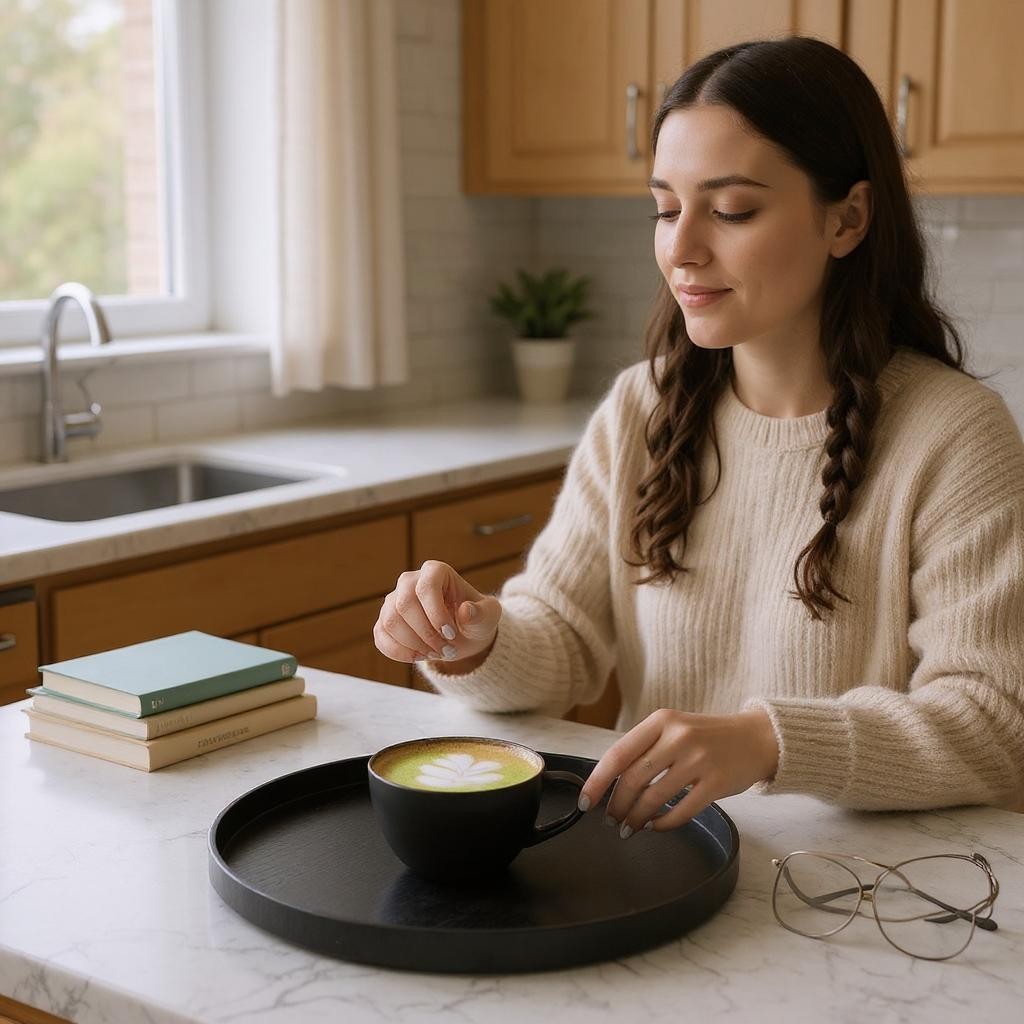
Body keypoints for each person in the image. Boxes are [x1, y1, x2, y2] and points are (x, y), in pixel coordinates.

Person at [373, 37, 1024, 837]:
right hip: (658, 863)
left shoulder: (954, 435)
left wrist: (767, 742)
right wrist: (478, 639)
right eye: (666, 208)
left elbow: (993, 724)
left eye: (731, 210)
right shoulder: (641, 408)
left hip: (856, 900)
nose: (680, 250)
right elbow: (564, 641)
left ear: (847, 218)